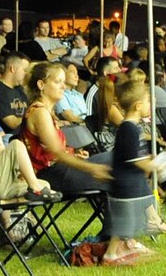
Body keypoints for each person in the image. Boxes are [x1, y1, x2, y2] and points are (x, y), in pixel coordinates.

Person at [22, 61, 113, 193]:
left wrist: (74, 154)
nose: (63, 87)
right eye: (58, 82)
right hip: (51, 174)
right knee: (117, 159)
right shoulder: (39, 112)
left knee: (122, 164)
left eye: (63, 82)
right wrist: (90, 167)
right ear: (41, 84)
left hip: (59, 169)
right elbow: (56, 152)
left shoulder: (46, 112)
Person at [101, 80, 161, 264]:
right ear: (138, 105)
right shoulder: (128, 128)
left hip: (132, 183)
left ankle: (120, 250)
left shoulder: (133, 128)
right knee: (123, 223)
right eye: (149, 102)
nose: (152, 106)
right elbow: (133, 158)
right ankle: (111, 255)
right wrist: (154, 165)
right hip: (125, 183)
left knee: (128, 221)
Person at [0, 54, 32, 135]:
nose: (26, 74)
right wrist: (37, 118)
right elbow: (12, 123)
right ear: (13, 68)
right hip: (11, 139)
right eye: (25, 70)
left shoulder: (20, 89)